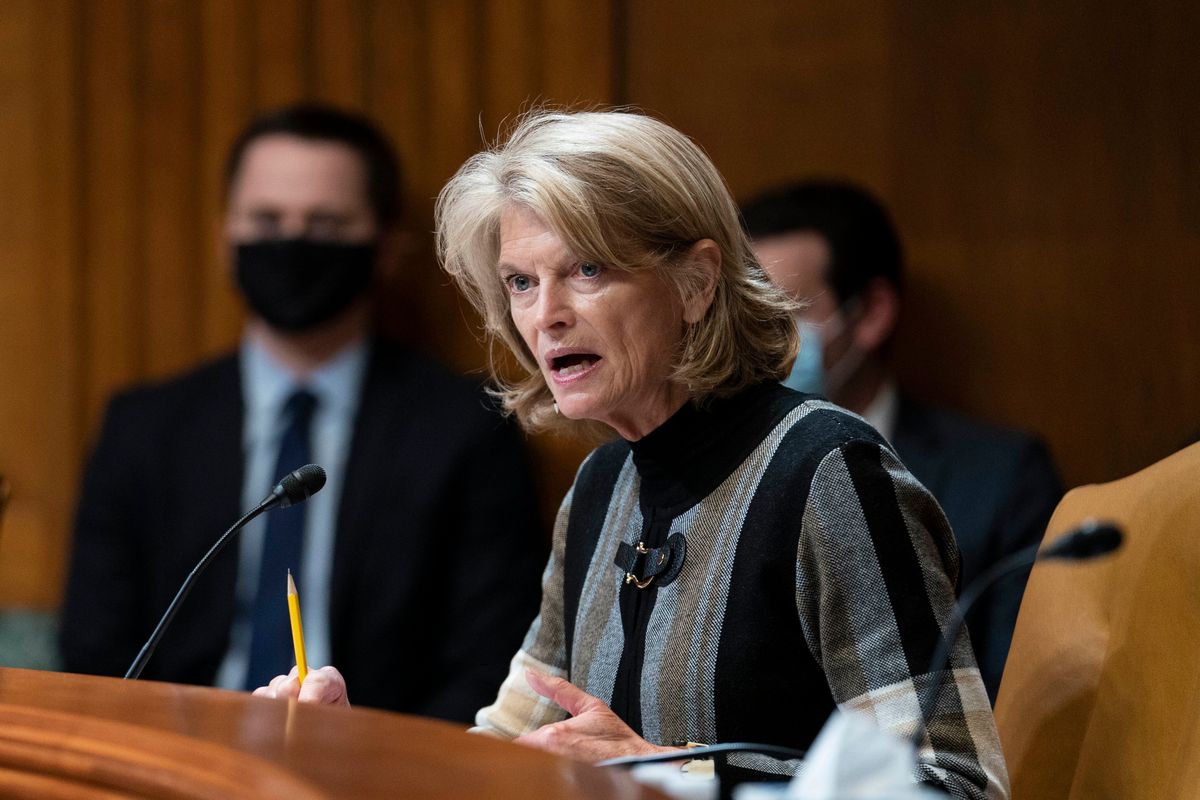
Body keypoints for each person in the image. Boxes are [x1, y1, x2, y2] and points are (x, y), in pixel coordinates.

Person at [256, 110, 1008, 798]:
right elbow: (502, 756)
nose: (545, 315)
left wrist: (671, 775)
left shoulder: (827, 472)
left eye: (587, 270)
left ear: (695, 282)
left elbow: (951, 783)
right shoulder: (602, 485)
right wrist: (344, 742)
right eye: (521, 282)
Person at [59, 104, 545, 721]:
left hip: (380, 766)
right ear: (225, 238)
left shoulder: (468, 432)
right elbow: (96, 655)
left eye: (324, 224)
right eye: (267, 220)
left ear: (385, 246)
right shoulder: (143, 430)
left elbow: (490, 663)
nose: (292, 243)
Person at [740, 180, 1063, 701]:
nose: (760, 341)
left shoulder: (1001, 477)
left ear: (870, 313)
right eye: (747, 316)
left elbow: (1024, 694)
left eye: (786, 313)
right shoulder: (718, 471)